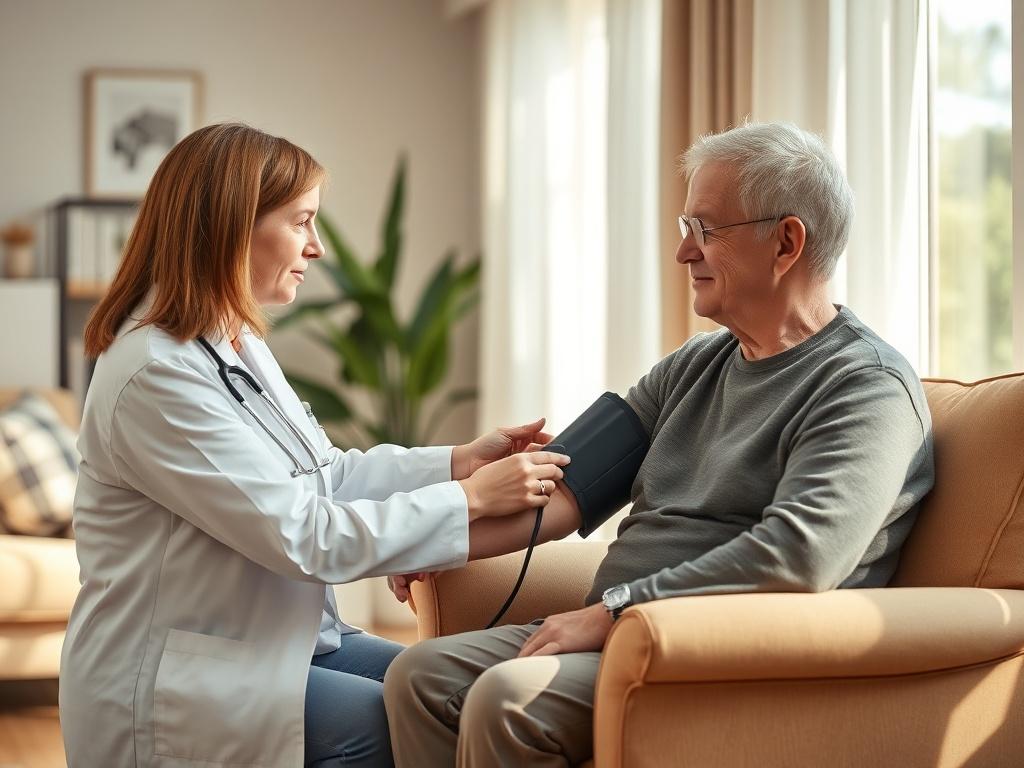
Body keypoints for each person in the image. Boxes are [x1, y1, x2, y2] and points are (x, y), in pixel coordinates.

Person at [383, 121, 936, 767]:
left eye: (705, 231)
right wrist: (431, 538)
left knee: (508, 698)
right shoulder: (695, 363)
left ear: (786, 242)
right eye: (685, 229)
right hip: (624, 631)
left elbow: (799, 558)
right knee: (420, 676)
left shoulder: (866, 386)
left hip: (718, 650)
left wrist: (615, 612)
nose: (683, 254)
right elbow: (564, 487)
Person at [58, 122, 571, 768]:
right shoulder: (154, 373)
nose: (317, 248)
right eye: (301, 222)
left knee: (448, 692)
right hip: (176, 678)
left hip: (280, 642)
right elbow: (306, 535)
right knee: (388, 727)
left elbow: (323, 473)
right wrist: (466, 499)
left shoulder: (233, 342)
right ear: (232, 227)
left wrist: (456, 461)